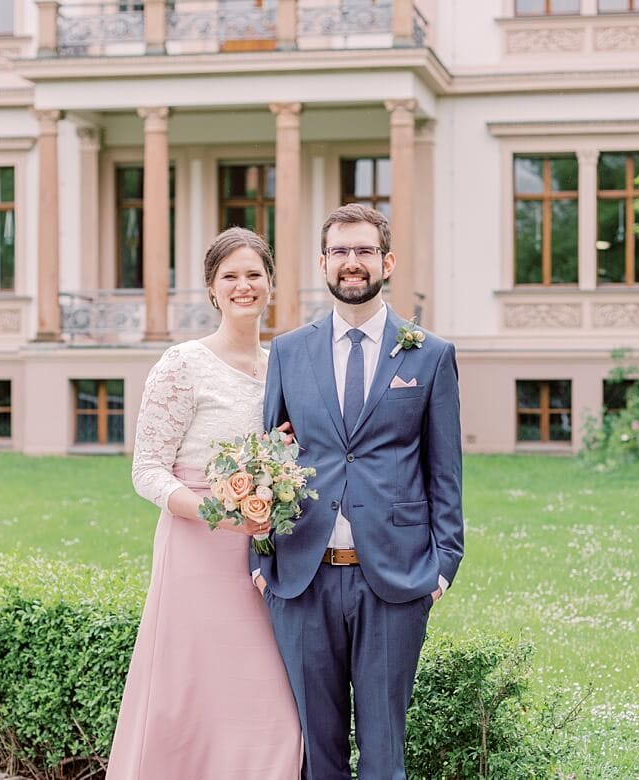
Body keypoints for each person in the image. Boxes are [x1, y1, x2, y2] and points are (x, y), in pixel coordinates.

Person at [255, 204, 465, 779]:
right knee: (317, 756)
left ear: (387, 261)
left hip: (394, 580)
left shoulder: (430, 353)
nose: (353, 263)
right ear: (323, 263)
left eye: (364, 251)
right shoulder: (289, 351)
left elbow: (445, 471)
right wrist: (261, 557)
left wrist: (443, 565)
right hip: (303, 577)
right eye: (341, 252)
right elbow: (270, 456)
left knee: (383, 756)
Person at [106, 227, 303, 779]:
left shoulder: (284, 367)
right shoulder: (182, 364)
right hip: (196, 553)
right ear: (212, 290)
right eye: (230, 277)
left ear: (270, 284)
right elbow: (146, 470)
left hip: (266, 558)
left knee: (274, 717)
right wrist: (219, 511)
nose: (244, 286)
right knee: (193, 700)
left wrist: (276, 476)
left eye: (254, 275)